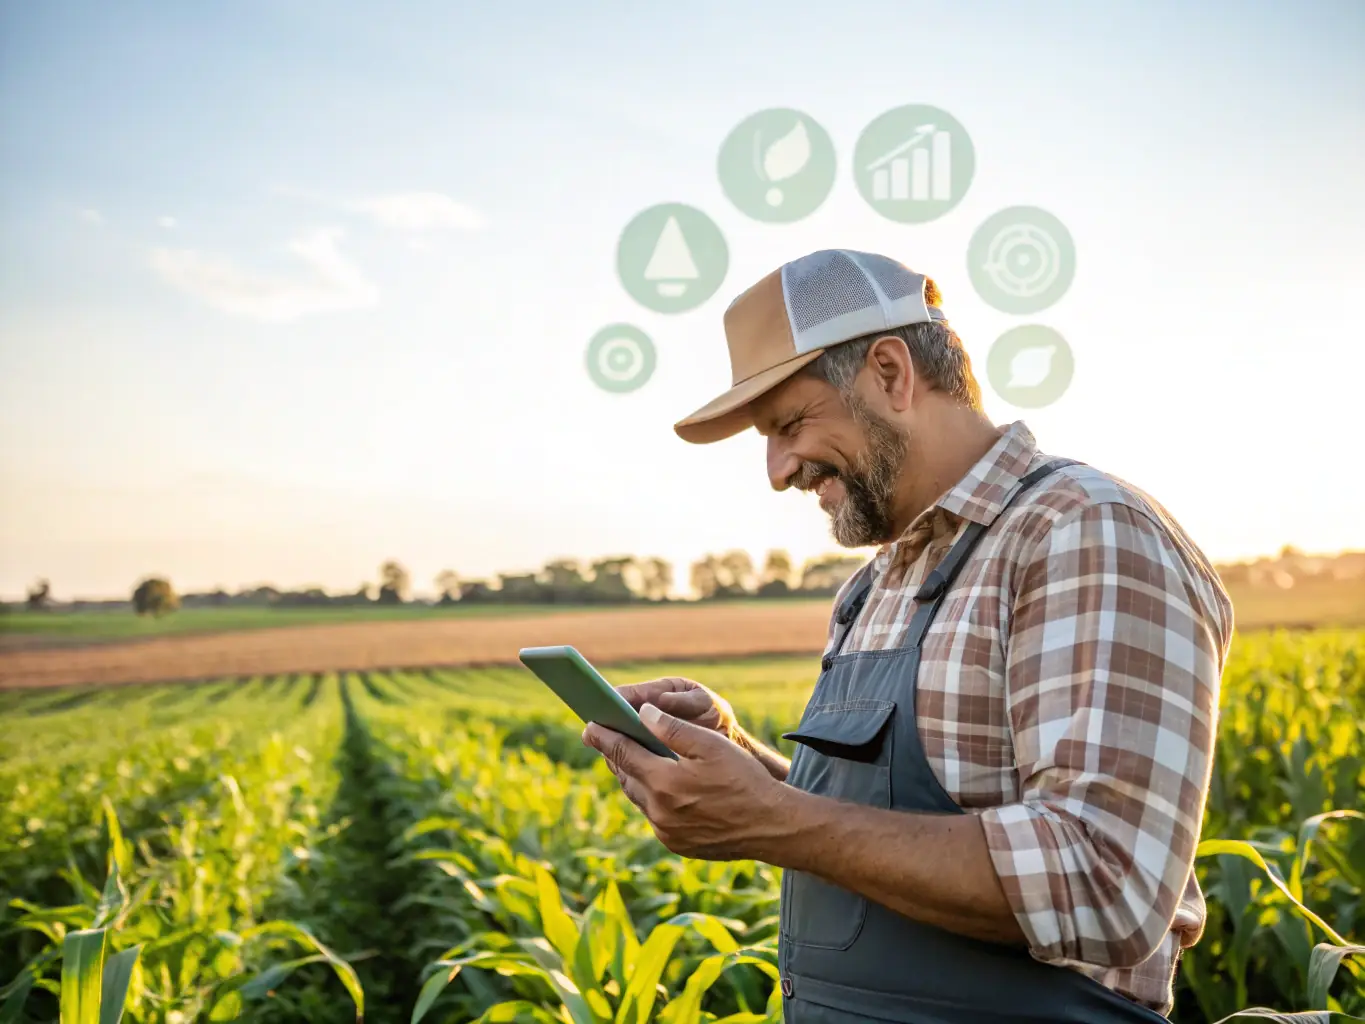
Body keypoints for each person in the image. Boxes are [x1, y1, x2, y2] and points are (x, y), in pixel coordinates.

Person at [580, 249, 1234, 1022]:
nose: (776, 469)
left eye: (788, 424)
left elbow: (1105, 883)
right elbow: (889, 827)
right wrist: (741, 758)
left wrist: (770, 817)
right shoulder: (875, 583)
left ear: (890, 373)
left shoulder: (1082, 532)